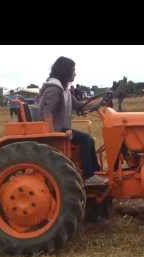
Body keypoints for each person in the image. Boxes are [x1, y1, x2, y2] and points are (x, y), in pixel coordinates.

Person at [39, 56, 106, 186]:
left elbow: (80, 106)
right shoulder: (54, 89)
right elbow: (46, 112)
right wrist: (54, 136)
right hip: (56, 131)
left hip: (62, 128)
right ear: (65, 71)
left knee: (89, 140)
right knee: (86, 140)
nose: (75, 73)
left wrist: (99, 102)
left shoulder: (65, 90)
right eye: (73, 70)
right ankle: (89, 176)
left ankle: (95, 173)